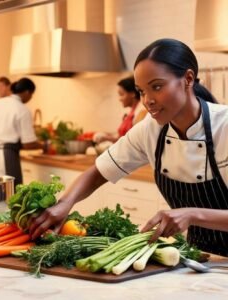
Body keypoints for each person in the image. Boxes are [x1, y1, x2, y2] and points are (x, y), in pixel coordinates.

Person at [29, 39, 228, 257]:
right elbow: (98, 172)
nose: (148, 100)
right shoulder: (150, 130)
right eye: (141, 91)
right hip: (202, 258)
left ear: (188, 79)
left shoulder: (224, 126)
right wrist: (65, 204)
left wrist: (193, 215)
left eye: (157, 87)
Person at [0, 77, 41, 188]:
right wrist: (44, 145)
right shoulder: (22, 109)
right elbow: (28, 143)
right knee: (10, 197)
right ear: (27, 92)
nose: (31, 97)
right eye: (32, 94)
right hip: (6, 158)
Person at [94, 76, 147, 143]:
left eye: (121, 94)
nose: (120, 99)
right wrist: (107, 135)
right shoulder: (129, 114)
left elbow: (134, 141)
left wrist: (108, 138)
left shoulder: (142, 113)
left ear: (132, 94)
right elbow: (122, 136)